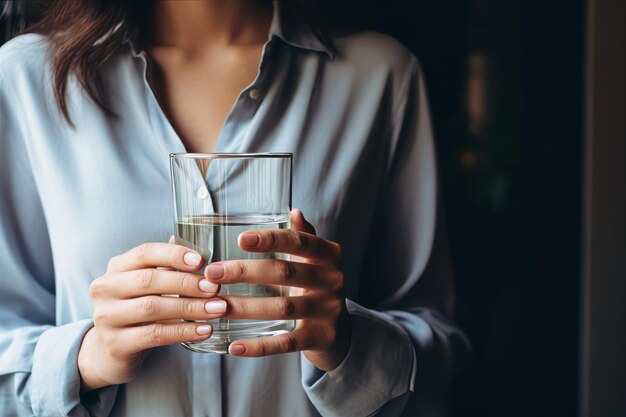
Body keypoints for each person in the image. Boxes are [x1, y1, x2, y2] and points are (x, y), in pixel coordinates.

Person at [0, 1, 469, 416]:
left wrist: (346, 341)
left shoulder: (380, 76)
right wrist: (87, 358)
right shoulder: (24, 78)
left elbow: (440, 352)